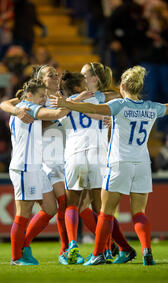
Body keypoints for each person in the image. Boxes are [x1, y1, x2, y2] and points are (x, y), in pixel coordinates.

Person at [51, 66, 168, 265]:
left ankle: (99, 254)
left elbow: (92, 108)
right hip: (143, 164)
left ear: (124, 86)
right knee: (139, 213)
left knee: (105, 213)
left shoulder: (120, 105)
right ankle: (146, 251)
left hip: (119, 163)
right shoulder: (152, 107)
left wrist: (67, 103)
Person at [58, 71, 134, 264]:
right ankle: (106, 249)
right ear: (78, 86)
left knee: (72, 204)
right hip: (99, 154)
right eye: (83, 81)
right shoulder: (97, 97)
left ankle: (73, 243)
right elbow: (114, 96)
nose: (87, 84)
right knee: (103, 209)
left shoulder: (63, 103)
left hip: (75, 153)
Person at [0, 65, 69, 261]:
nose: (43, 100)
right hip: (24, 167)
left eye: (44, 97)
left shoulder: (23, 106)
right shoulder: (30, 107)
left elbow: (5, 104)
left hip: (36, 167)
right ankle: (16, 256)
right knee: (23, 213)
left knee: (50, 208)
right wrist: (75, 103)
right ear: (29, 96)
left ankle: (24, 247)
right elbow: (56, 115)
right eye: (41, 96)